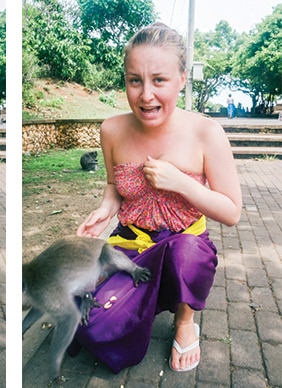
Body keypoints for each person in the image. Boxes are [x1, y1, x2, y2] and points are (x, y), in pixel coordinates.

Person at [75, 22, 241, 374]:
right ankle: (139, 306)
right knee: (88, 322)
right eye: (135, 80)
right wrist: (104, 211)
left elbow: (231, 212)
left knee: (186, 255)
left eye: (159, 80)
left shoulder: (206, 132)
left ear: (182, 78)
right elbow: (113, 187)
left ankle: (185, 317)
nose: (146, 95)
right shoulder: (112, 130)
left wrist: (182, 182)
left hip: (185, 246)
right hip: (131, 245)